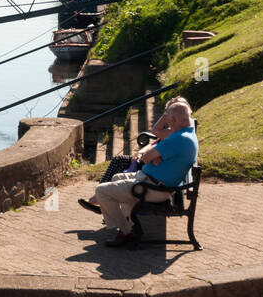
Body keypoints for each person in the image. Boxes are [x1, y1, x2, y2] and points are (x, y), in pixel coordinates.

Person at [78, 99, 198, 247]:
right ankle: (130, 225)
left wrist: (153, 157)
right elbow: (151, 156)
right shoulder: (186, 133)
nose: (168, 123)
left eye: (168, 119)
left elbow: (147, 158)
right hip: (152, 182)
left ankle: (127, 231)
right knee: (116, 177)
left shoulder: (178, 138)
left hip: (152, 188)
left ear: (172, 119)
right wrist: (155, 157)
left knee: (101, 191)